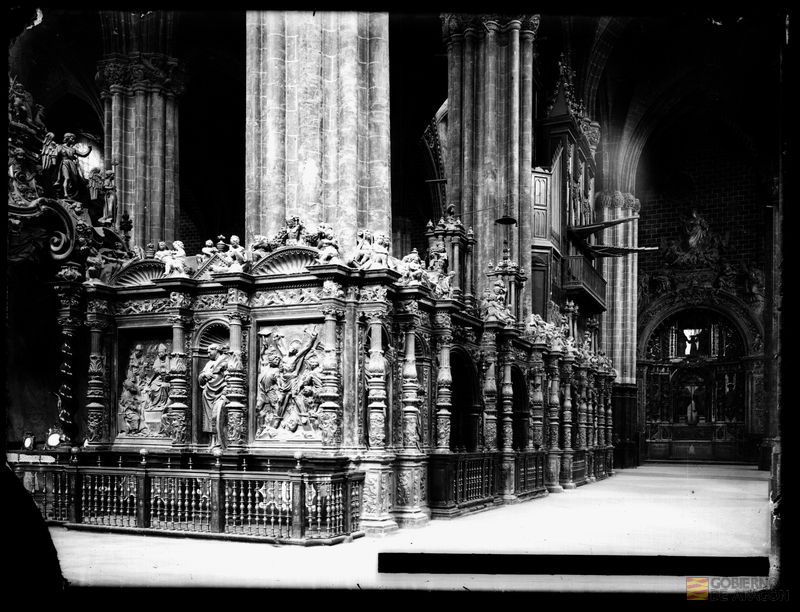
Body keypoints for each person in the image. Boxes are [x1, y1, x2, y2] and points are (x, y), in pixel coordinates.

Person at [198, 343, 228, 449]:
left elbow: (229, 378)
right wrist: (204, 375)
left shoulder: (225, 361)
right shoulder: (209, 363)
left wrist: (225, 392)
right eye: (206, 351)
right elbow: (200, 378)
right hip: (207, 394)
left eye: (210, 350)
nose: (208, 353)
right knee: (208, 419)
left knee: (217, 416)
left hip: (220, 394)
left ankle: (219, 442)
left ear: (217, 350)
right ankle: (211, 441)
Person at [53, 132, 92, 200]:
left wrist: (89, 149)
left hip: (72, 164)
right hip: (65, 163)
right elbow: (54, 155)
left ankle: (72, 193)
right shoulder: (60, 147)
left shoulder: (73, 149)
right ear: (67, 138)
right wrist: (53, 162)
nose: (73, 140)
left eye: (74, 139)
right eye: (72, 138)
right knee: (67, 178)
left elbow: (83, 154)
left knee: (74, 181)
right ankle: (65, 193)